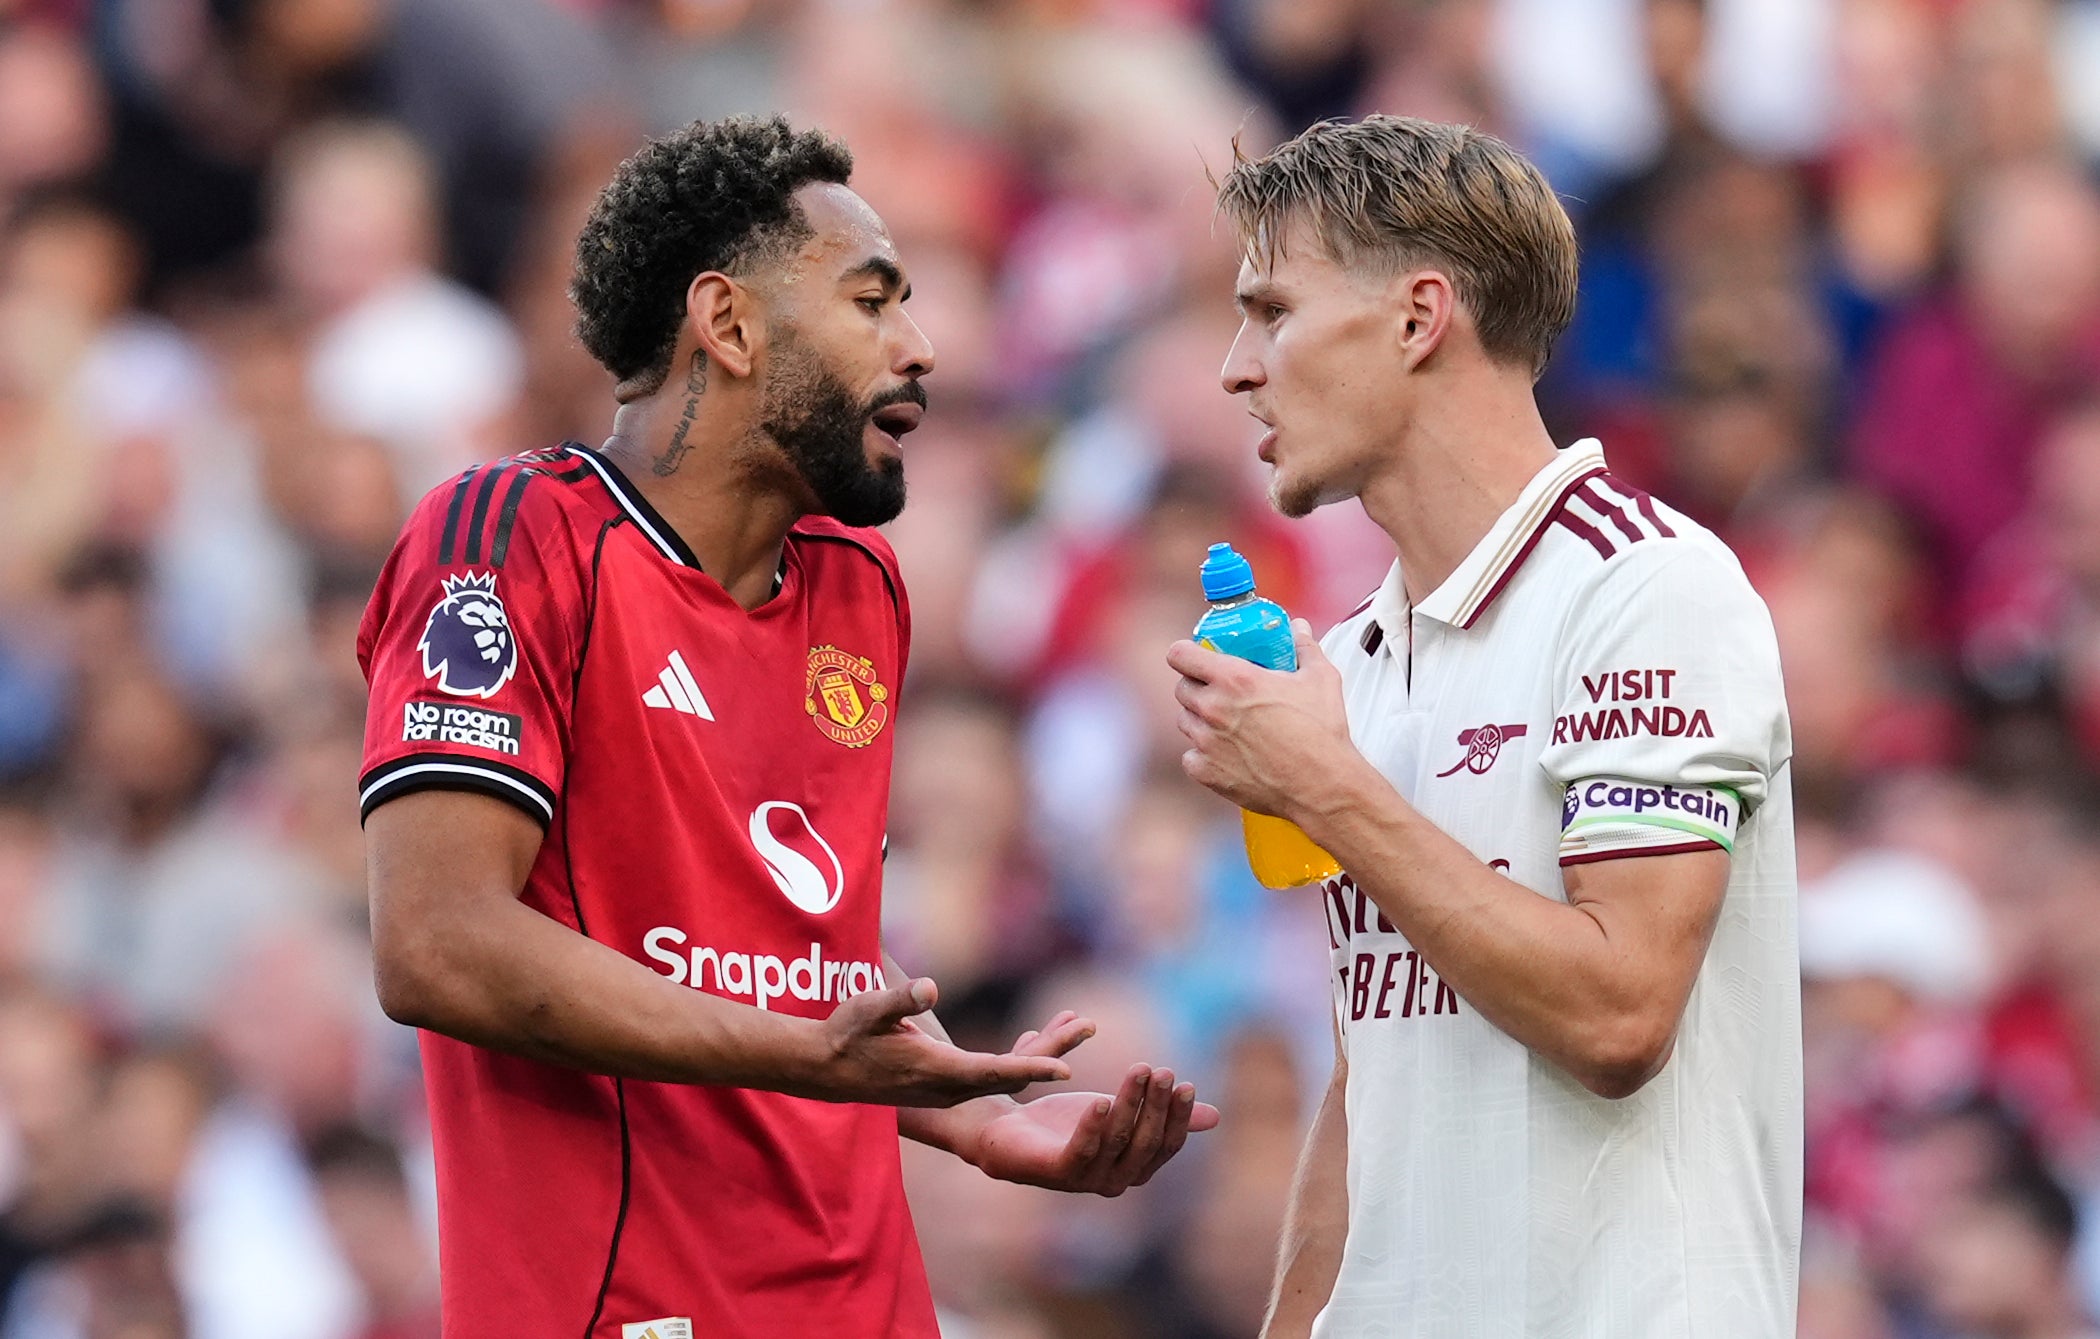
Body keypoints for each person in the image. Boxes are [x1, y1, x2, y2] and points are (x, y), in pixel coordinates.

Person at [357, 115, 1218, 1338]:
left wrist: (967, 1111)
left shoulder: (857, 586)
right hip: (631, 1304)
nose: (922, 349)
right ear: (730, 323)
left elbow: (795, 962)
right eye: (873, 302)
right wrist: (808, 1054)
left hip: (866, 1303)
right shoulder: (507, 540)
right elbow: (435, 941)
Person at [1167, 115, 1799, 1338]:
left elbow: (1619, 1016)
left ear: (1418, 316)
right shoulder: (1351, 657)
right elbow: (1374, 1083)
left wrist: (1330, 789)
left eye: (1273, 310)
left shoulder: (1649, 589)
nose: (1237, 368)